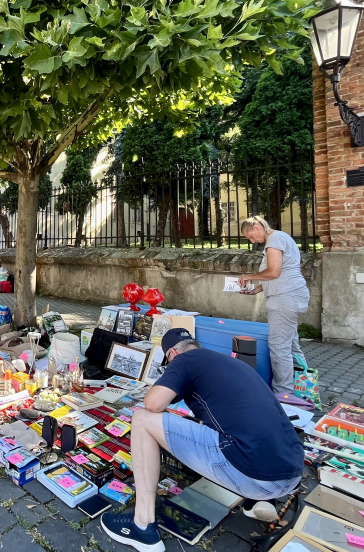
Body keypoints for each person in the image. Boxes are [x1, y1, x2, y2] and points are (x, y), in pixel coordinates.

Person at [100, 332, 303, 552]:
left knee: (142, 419)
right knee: (235, 430)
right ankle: (259, 502)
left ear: (173, 353)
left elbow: (152, 403)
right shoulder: (230, 362)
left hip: (252, 472)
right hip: (290, 474)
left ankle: (142, 525)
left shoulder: (184, 360)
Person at [236, 215, 310, 395]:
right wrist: (257, 289)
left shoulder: (275, 239)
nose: (253, 241)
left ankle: (283, 393)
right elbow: (280, 271)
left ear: (257, 227)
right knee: (290, 343)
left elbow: (274, 271)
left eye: (251, 236)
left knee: (279, 346)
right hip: (288, 294)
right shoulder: (279, 238)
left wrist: (248, 276)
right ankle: (303, 384)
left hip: (285, 297)